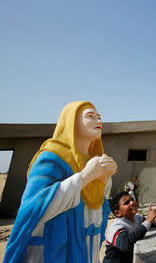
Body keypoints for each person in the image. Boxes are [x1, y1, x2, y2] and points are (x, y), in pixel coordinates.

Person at [4, 101, 117, 262]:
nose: (98, 121)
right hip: (53, 252)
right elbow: (33, 208)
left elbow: (96, 208)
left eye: (99, 117)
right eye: (90, 116)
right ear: (71, 122)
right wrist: (84, 177)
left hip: (86, 250)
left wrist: (104, 180)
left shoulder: (95, 161)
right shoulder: (51, 158)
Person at [103, 191, 156, 263]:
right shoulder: (116, 227)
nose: (132, 202)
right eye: (126, 203)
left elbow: (147, 224)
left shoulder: (137, 217)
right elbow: (126, 245)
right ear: (118, 213)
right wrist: (148, 221)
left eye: (132, 199)